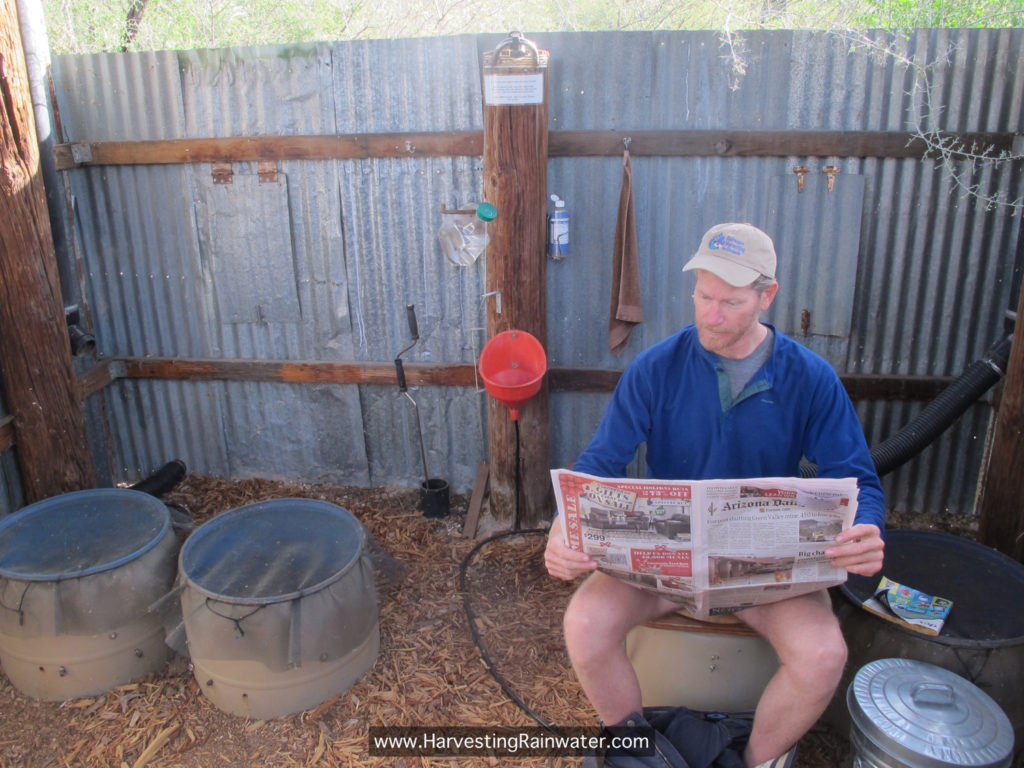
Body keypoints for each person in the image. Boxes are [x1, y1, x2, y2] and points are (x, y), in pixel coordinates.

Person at [545, 223, 885, 768]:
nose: (710, 314)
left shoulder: (811, 377)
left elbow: (859, 478)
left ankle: (753, 759)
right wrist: (565, 528)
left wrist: (868, 529)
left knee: (822, 655)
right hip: (664, 564)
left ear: (766, 295)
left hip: (762, 573)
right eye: (703, 296)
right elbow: (597, 465)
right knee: (584, 624)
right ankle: (639, 752)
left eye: (730, 301)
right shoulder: (655, 367)